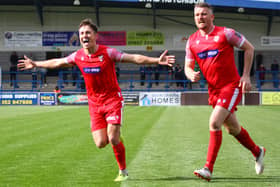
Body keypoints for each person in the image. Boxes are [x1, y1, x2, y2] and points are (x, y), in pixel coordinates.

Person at [18, 18, 175, 182]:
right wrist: (35, 63)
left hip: (113, 100)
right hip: (94, 105)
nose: (84, 36)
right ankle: (115, 136)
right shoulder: (77, 56)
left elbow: (134, 58)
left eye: (87, 33)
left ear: (95, 36)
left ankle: (123, 170)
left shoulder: (108, 53)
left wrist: (156, 60)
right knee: (101, 143)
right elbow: (57, 62)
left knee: (112, 138)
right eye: (81, 33)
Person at [184, 3, 265, 181]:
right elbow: (187, 67)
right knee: (233, 129)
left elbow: (249, 48)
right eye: (197, 15)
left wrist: (245, 76)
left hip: (231, 86)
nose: (200, 17)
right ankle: (258, 151)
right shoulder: (191, 41)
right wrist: (191, 75)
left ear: (212, 17)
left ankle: (208, 168)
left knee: (214, 123)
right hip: (213, 90)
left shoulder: (226, 33)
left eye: (204, 14)